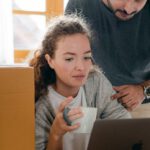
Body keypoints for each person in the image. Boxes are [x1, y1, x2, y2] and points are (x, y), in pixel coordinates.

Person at [30, 15, 131, 150]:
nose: (81, 67)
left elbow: (124, 124)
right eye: (69, 59)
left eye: (86, 57)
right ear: (50, 61)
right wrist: (56, 133)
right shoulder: (41, 104)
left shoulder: (96, 83)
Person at [65, 0, 150, 110]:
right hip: (91, 101)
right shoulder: (79, 3)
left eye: (138, 0)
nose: (128, 9)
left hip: (143, 102)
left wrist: (143, 90)